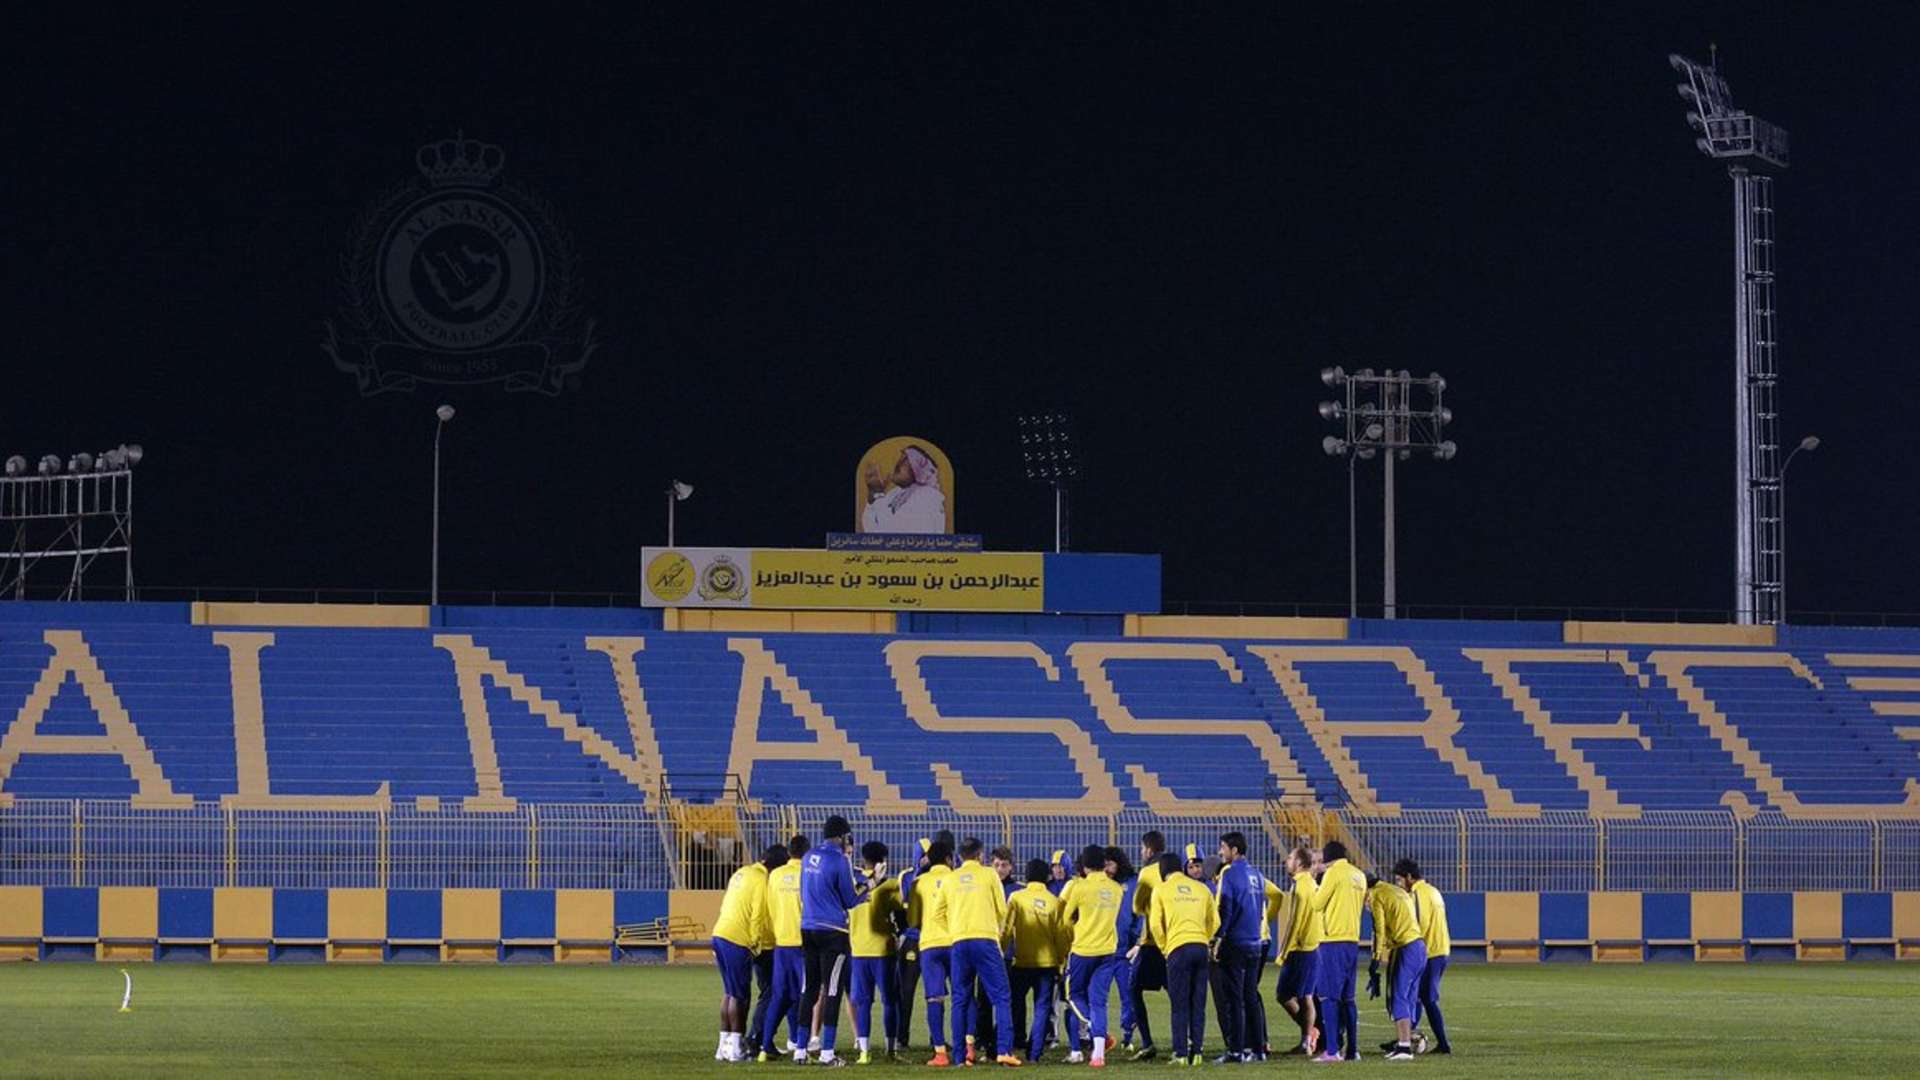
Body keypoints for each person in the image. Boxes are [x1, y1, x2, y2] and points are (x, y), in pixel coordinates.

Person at [938, 837, 1020, 1067]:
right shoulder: (989, 875)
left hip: (959, 943)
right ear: (981, 855)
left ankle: (959, 1057)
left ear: (959, 857)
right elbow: (1002, 909)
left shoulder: (950, 879)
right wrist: (996, 932)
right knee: (1002, 996)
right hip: (985, 940)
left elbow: (937, 914)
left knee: (960, 1000)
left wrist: (955, 930)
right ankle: (1004, 1050)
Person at [798, 815, 864, 1065]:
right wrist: (867, 889)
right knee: (833, 989)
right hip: (832, 931)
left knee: (810, 988)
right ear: (842, 836)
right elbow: (849, 900)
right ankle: (827, 1053)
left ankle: (801, 1050)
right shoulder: (840, 860)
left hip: (808, 927)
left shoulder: (807, 857)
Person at [712, 844, 783, 1062]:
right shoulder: (761, 880)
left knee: (730, 992)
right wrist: (755, 944)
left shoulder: (741, 872)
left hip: (720, 933)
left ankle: (723, 1045)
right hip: (737, 940)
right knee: (741, 996)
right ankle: (736, 1048)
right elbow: (758, 916)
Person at [1148, 851, 1217, 1066]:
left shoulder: (1161, 889)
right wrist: (1204, 938)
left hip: (1178, 948)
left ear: (1162, 870)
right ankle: (1197, 1052)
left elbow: (1155, 925)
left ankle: (1180, 1053)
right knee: (1198, 1003)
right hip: (1200, 947)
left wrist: (1164, 947)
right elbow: (1215, 921)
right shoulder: (1202, 888)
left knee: (1179, 1004)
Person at [1062, 844, 1124, 1067]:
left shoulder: (1080, 887)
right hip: (1107, 951)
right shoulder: (1117, 889)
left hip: (1083, 950)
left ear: (1085, 866)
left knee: (1073, 995)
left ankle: (1097, 1028)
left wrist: (1075, 929)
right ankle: (1098, 1055)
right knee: (1099, 1001)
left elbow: (1065, 918)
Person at [1211, 831, 1267, 1064]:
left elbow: (1227, 907)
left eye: (1223, 847)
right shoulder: (1257, 874)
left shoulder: (1230, 873)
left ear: (1234, 850)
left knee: (1233, 999)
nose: (1220, 852)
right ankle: (1258, 1050)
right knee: (1250, 996)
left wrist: (1218, 938)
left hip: (1235, 942)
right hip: (1256, 941)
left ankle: (1236, 1050)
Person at [1310, 841, 1367, 1063]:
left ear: (1327, 858)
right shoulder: (1359, 875)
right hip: (1352, 941)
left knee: (1328, 998)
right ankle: (1353, 1051)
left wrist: (1317, 880)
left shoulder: (1334, 873)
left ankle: (1332, 1051)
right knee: (1348, 999)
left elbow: (1316, 903)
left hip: (1332, 941)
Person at [1007, 859, 1067, 1062]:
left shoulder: (1016, 898)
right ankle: (1034, 1054)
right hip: (1047, 964)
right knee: (1042, 1008)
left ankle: (1011, 1045)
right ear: (1047, 877)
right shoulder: (1055, 902)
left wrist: (1001, 952)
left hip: (1021, 962)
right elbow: (1061, 937)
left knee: (1014, 1003)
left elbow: (1006, 930)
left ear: (1026, 875)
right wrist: (1060, 962)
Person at [1364, 872, 1428, 1062]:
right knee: (1408, 997)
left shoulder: (1376, 895)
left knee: (1397, 996)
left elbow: (1379, 929)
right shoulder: (1395, 889)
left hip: (1405, 949)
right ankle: (1405, 1042)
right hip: (1419, 946)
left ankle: (1405, 1047)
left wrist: (1375, 961)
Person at [758, 835, 811, 1062]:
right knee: (805, 995)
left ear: (789, 852)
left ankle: (765, 1047)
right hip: (802, 945)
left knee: (780, 996)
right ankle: (801, 1047)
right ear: (807, 853)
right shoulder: (808, 875)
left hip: (781, 945)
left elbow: (770, 907)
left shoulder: (776, 875)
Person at [849, 841, 902, 1064]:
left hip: (858, 950)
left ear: (864, 859)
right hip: (883, 950)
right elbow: (903, 912)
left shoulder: (853, 884)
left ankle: (864, 1052)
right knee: (890, 1001)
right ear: (884, 861)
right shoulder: (889, 886)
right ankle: (891, 1051)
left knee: (863, 1002)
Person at [1397, 859, 1452, 1055]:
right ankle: (1404, 1037)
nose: (1398, 884)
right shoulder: (1433, 891)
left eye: (1399, 880)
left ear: (1409, 878)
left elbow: (1419, 924)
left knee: (1427, 998)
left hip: (1430, 952)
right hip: (1440, 949)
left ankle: (1444, 1044)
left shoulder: (1417, 894)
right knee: (1419, 996)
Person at [911, 838, 958, 1066]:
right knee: (962, 996)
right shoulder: (956, 879)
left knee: (934, 998)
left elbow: (912, 919)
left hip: (929, 944)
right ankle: (966, 1049)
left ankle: (940, 1053)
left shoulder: (919, 882)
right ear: (950, 859)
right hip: (956, 942)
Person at [1275, 846, 1322, 1056]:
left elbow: (1294, 922)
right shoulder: (1312, 884)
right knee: (1293, 995)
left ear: (1300, 864)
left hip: (1301, 949)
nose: (1288, 860)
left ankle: (1307, 1039)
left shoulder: (1300, 887)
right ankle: (1309, 1034)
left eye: (1291, 857)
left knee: (1300, 996)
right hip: (1310, 947)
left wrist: (1283, 951)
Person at [1125, 829, 1168, 1062]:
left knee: (1133, 989)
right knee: (1178, 994)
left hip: (1152, 941)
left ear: (1149, 850)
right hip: (1174, 942)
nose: (1142, 852)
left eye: (1143, 848)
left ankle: (1148, 1042)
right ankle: (1190, 1040)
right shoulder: (1174, 870)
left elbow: (1136, 907)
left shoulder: (1147, 872)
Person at [1103, 847, 1141, 1055]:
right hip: (1102, 951)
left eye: (1110, 863)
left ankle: (1127, 1036)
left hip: (1124, 953)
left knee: (1129, 996)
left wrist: (1135, 940)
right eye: (1104, 864)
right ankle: (1100, 1037)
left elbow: (1138, 914)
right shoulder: (1100, 884)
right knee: (1099, 997)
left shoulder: (1132, 883)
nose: (1107, 868)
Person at [860, 445, 947, 534]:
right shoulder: (896, 493)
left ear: (918, 470)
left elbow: (890, 533)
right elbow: (871, 530)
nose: (898, 464)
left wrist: (878, 494)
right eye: (900, 458)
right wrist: (873, 494)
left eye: (906, 460)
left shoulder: (927, 496)